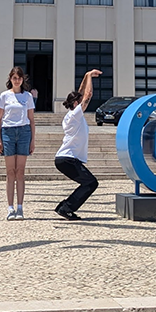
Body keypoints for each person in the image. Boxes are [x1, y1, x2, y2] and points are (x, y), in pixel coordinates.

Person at [54, 69, 102, 220]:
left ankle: (64, 207)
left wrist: (86, 75)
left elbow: (81, 92)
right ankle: (65, 208)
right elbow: (87, 96)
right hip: (68, 159)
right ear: (76, 103)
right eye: (80, 101)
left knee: (88, 183)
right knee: (91, 183)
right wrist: (89, 77)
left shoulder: (71, 115)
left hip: (65, 159)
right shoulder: (75, 115)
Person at [0, 66, 35, 220]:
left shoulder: (27, 97)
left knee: (21, 171)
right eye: (14, 78)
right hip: (8, 132)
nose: (17, 80)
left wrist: (33, 140)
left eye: (19, 78)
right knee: (10, 171)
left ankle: (20, 207)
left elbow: (31, 119)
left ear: (22, 79)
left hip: (24, 132)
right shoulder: (4, 96)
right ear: (10, 79)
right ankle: (10, 207)